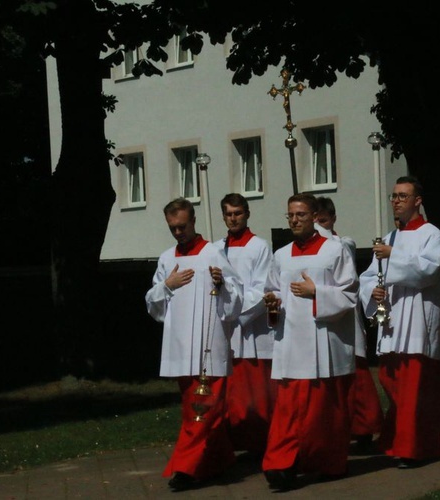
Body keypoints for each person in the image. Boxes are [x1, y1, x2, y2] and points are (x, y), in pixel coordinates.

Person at [145, 198, 244, 491]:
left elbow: (237, 297)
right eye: (173, 228)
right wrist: (167, 286)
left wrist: (223, 283)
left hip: (209, 345)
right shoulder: (166, 259)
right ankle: (220, 460)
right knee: (194, 409)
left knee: (204, 409)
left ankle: (185, 468)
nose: (178, 233)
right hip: (180, 347)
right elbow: (153, 304)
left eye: (183, 227)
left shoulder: (214, 253)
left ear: (194, 221)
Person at [262, 193, 358, 491]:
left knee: (322, 411)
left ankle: (326, 461)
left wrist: (316, 292)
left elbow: (349, 293)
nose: (294, 220)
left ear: (314, 216)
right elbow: (273, 290)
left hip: (322, 341)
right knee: (288, 409)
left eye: (300, 215)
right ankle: (281, 463)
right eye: (290, 215)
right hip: (290, 340)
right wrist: (272, 303)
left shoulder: (334, 251)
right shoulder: (280, 255)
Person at [359, 176, 440, 468]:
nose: (396, 201)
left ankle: (413, 448)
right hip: (393, 320)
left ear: (417, 201)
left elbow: (429, 270)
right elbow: (367, 276)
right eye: (394, 196)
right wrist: (371, 291)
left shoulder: (432, 235)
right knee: (391, 381)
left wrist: (393, 256)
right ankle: (411, 441)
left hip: (418, 322)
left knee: (414, 388)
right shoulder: (389, 238)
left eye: (403, 195)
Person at [316, 196, 384, 450]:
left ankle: (364, 428)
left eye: (322, 220)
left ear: (332, 219)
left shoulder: (343, 243)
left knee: (356, 374)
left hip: (345, 316)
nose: (318, 226)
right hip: (321, 315)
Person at [214, 193, 277, 456]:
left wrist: (234, 311)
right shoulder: (216, 249)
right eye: (228, 213)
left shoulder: (259, 246)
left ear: (247, 213)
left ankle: (260, 444)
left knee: (256, 392)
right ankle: (234, 443)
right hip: (226, 330)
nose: (233, 218)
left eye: (238, 213)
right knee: (232, 393)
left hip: (251, 328)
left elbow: (263, 286)